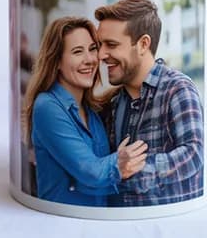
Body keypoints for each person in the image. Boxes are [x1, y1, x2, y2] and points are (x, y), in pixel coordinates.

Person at [21, 16, 148, 206]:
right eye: (77, 51)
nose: (89, 60)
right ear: (56, 61)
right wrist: (119, 162)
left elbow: (90, 181)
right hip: (62, 224)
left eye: (92, 49)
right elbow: (90, 171)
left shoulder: (92, 111)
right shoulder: (47, 106)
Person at [95, 0, 205, 206]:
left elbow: (194, 155)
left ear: (143, 44)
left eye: (111, 44)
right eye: (100, 45)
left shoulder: (177, 89)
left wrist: (131, 171)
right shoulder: (115, 103)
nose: (101, 54)